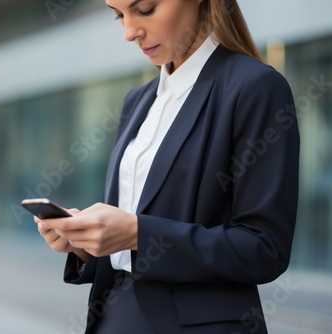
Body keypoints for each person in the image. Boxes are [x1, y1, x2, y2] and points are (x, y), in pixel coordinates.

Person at [33, 0, 300, 333]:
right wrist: (86, 244)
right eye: (119, 16)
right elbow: (132, 233)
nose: (130, 32)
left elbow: (264, 249)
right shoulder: (139, 100)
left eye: (144, 9)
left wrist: (136, 233)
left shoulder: (254, 87)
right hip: (115, 317)